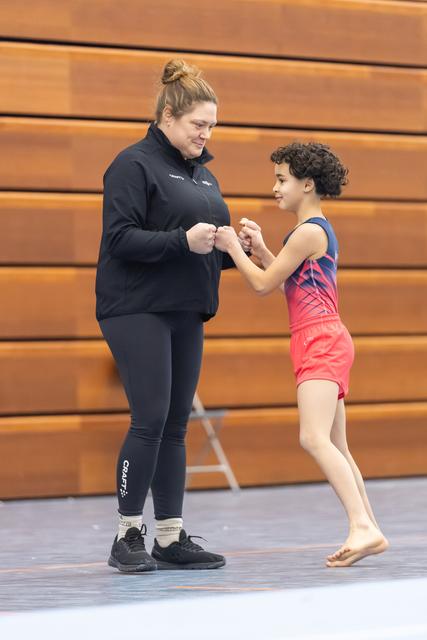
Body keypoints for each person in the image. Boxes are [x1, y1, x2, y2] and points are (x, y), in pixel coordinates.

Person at [214, 142, 389, 567]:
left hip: (320, 342)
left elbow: (260, 285)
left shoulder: (309, 231)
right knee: (336, 445)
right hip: (322, 337)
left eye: (281, 179)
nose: (275, 188)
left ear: (306, 184)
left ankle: (361, 527)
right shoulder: (311, 232)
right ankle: (369, 526)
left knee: (312, 437)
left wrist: (232, 247)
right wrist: (260, 250)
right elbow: (290, 285)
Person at [95, 59, 238, 572]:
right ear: (168, 116)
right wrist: (183, 240)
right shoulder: (132, 165)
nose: (205, 134)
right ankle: (126, 534)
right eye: (199, 124)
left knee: (177, 424)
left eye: (211, 126)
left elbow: (202, 249)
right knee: (151, 419)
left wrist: (235, 249)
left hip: (184, 308)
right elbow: (119, 238)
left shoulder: (203, 177)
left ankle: (170, 537)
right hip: (136, 308)